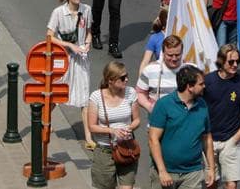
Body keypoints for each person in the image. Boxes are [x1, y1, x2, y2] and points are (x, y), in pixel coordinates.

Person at [149, 65, 215, 189]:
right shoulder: (164, 105)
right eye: (201, 84)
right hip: (166, 173)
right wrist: (162, 171)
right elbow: (153, 139)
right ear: (189, 87)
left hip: (193, 173)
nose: (204, 86)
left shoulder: (202, 105)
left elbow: (207, 138)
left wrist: (211, 168)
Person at [205, 44, 240, 189]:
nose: (235, 65)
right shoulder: (207, 81)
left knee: (231, 185)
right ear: (221, 61)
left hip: (230, 140)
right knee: (211, 183)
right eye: (231, 62)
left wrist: (234, 139)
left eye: (237, 61)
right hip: (208, 140)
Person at [47, 0, 93, 141]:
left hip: (81, 58)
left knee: (84, 97)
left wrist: (87, 44)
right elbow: (49, 37)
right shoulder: (58, 12)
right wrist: (69, 45)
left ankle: (88, 136)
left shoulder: (86, 10)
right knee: (58, 93)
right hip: (63, 58)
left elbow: (88, 32)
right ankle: (44, 120)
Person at [87, 60, 141, 189]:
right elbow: (92, 126)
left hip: (126, 148)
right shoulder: (96, 97)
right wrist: (112, 131)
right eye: (122, 78)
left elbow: (137, 120)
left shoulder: (131, 93)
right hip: (105, 151)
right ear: (110, 80)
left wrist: (129, 128)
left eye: (127, 76)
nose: (127, 79)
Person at [137, 33, 184, 112]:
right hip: (158, 122)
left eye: (177, 55)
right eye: (170, 55)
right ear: (163, 53)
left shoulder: (191, 70)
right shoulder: (150, 70)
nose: (174, 58)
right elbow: (140, 93)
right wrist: (150, 107)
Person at [139, 8, 170, 76]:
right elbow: (145, 62)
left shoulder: (180, 36)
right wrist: (140, 81)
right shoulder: (155, 38)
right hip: (160, 76)